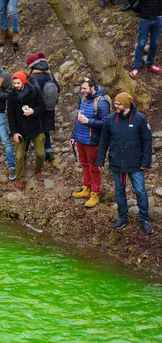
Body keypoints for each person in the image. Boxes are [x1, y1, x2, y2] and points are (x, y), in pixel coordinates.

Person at [96, 92, 154, 234]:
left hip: (135, 163)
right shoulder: (111, 119)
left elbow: (147, 141)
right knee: (119, 191)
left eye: (118, 104)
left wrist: (145, 162)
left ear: (126, 105)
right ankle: (122, 218)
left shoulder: (139, 119)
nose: (115, 106)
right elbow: (104, 141)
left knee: (140, 191)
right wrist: (100, 159)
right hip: (117, 162)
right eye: (115, 103)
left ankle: (144, 220)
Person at [70, 77, 111, 208]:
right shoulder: (83, 99)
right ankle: (86, 188)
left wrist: (89, 122)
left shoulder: (102, 102)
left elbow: (105, 123)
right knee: (84, 164)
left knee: (94, 168)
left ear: (92, 87)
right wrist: (73, 135)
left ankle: (95, 193)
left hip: (93, 140)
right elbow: (78, 119)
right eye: (81, 88)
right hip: (81, 139)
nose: (82, 91)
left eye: (84, 88)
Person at [7, 71, 46, 191]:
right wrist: (14, 132)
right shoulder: (12, 95)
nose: (16, 85)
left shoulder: (34, 91)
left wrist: (33, 111)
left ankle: (37, 171)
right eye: (14, 83)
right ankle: (20, 180)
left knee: (40, 153)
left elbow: (42, 106)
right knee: (19, 157)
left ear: (23, 82)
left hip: (35, 128)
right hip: (20, 131)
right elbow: (10, 115)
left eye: (18, 83)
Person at [26, 51, 60, 162]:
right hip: (50, 107)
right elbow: (58, 88)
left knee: (30, 130)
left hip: (37, 108)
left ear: (31, 65)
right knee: (46, 130)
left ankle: (25, 154)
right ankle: (48, 152)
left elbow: (35, 92)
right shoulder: (49, 74)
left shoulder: (33, 76)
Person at [128, 0, 162, 78]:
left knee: (155, 43)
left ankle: (150, 65)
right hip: (145, 19)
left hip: (158, 18)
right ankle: (136, 68)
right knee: (141, 44)